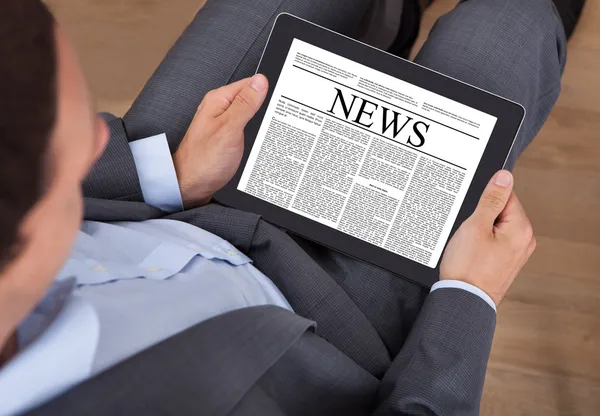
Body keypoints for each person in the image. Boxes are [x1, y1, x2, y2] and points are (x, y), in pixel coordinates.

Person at [0, 0, 583, 414]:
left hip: (168, 188)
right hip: (339, 322)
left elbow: (87, 151)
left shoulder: (80, 172)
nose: (105, 136)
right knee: (514, 20)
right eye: (76, 142)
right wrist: (469, 298)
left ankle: (391, 17)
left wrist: (166, 175)